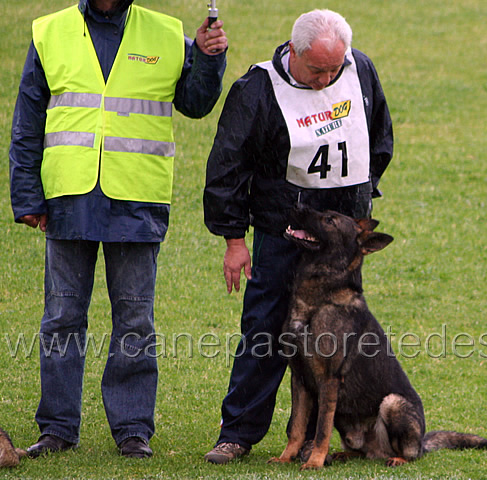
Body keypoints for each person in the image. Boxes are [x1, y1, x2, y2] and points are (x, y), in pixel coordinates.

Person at [9, 0, 227, 459]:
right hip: (69, 197)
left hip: (137, 200)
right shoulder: (50, 31)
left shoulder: (167, 34)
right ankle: (57, 428)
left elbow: (196, 103)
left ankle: (132, 430)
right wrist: (27, 195)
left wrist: (208, 57)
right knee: (61, 320)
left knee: (134, 321)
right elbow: (28, 120)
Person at [202, 9, 393, 464]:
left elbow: (378, 137)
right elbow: (227, 166)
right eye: (316, 69)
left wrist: (362, 203)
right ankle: (238, 434)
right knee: (266, 330)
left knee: (338, 338)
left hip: (339, 237)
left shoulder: (359, 69)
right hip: (281, 230)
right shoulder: (257, 89)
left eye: (334, 68)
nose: (327, 78)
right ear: (294, 51)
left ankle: (322, 435)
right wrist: (233, 238)